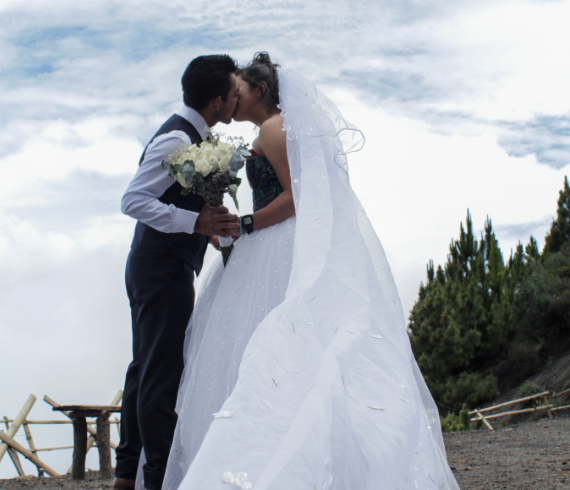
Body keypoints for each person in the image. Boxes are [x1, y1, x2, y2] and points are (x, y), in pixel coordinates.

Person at [160, 52, 460, 490]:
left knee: (263, 347)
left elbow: (295, 197)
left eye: (238, 92)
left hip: (276, 244)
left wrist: (245, 224)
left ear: (260, 91)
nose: (232, 103)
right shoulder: (277, 128)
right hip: (275, 241)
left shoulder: (273, 127)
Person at [114, 55, 241, 490]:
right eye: (233, 92)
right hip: (160, 267)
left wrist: (206, 226)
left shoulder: (197, 138)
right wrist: (196, 224)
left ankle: (126, 474)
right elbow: (132, 201)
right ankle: (158, 479)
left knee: (145, 368)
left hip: (161, 264)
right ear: (217, 100)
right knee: (160, 373)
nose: (237, 99)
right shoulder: (176, 140)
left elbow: (178, 199)